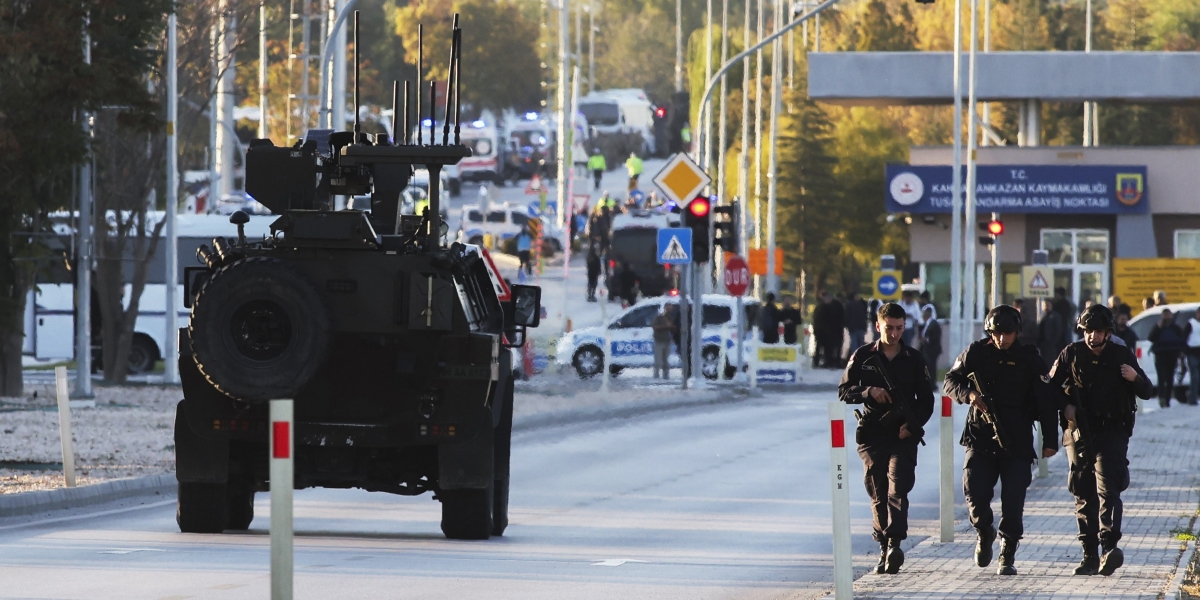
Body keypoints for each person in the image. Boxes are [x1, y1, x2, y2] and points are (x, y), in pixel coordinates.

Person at [944, 305, 1059, 576]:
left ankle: (1007, 552)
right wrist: (969, 394)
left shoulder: (1030, 357)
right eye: (996, 333)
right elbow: (950, 381)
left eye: (1007, 333)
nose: (1002, 339)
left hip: (1016, 439)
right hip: (980, 437)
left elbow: (1046, 401)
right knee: (974, 491)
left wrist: (1050, 440)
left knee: (1013, 499)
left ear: (1017, 332)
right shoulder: (976, 352)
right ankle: (984, 531)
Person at [1048, 304, 1154, 576]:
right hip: (1079, 432)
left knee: (1108, 488)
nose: (1092, 336)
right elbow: (1048, 388)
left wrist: (1135, 378)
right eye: (1088, 331)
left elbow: (1147, 391)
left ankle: (1109, 547)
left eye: (1098, 331)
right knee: (1083, 491)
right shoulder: (1070, 354)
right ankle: (1089, 555)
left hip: (1112, 432)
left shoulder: (1121, 355)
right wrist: (1065, 405)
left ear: (1108, 333)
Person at [838, 302, 935, 575]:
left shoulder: (914, 358)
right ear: (878, 326)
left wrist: (912, 425)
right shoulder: (863, 356)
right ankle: (882, 545)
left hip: (903, 434)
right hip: (872, 434)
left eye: (899, 328)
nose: (894, 334)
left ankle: (895, 543)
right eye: (889, 328)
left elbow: (926, 401)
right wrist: (869, 391)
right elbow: (844, 391)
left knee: (898, 487)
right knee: (878, 492)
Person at [1148, 309, 1186, 408]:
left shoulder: (1176, 328)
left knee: (1169, 378)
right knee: (1161, 378)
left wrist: (1181, 354)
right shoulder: (1159, 327)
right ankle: (1162, 398)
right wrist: (1158, 327)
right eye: (1165, 315)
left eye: (1168, 315)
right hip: (1160, 355)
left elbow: (1181, 341)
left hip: (1172, 355)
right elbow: (1151, 338)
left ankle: (1167, 399)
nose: (1166, 317)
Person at [652, 304, 676, 379]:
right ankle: (656, 375)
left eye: (671, 309)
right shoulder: (660, 318)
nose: (670, 310)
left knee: (666, 360)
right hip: (659, 341)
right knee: (658, 360)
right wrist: (666, 326)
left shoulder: (672, 318)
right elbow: (655, 327)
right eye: (668, 309)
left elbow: (675, 328)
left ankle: (666, 375)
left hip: (667, 341)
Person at [918, 305, 942, 374]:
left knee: (931, 367)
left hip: (932, 349)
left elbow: (935, 336)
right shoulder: (926, 324)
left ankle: (932, 383)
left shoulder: (934, 324)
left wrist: (926, 339)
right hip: (926, 349)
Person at [1185, 307, 1200, 406]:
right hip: (1192, 352)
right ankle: (1192, 398)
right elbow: (1184, 338)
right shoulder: (1190, 324)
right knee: (1195, 377)